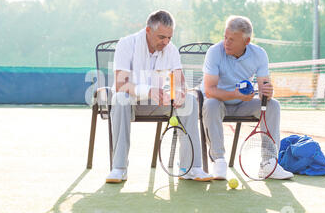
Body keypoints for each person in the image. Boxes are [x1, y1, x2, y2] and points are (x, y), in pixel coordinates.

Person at [106, 10, 213, 183]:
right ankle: (119, 168)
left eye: (169, 38)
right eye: (161, 37)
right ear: (148, 30)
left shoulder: (171, 49)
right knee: (119, 97)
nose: (166, 42)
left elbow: (179, 81)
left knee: (190, 101)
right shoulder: (126, 44)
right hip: (129, 101)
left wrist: (179, 92)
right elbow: (121, 84)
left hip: (157, 102)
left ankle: (190, 168)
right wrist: (147, 90)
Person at [201, 15, 293, 180]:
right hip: (218, 102)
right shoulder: (214, 52)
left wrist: (267, 92)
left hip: (242, 104)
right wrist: (235, 95)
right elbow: (209, 90)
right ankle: (219, 160)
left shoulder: (259, 54)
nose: (226, 43)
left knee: (273, 105)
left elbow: (264, 87)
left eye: (232, 40)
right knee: (211, 104)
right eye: (225, 37)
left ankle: (268, 163)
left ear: (246, 41)